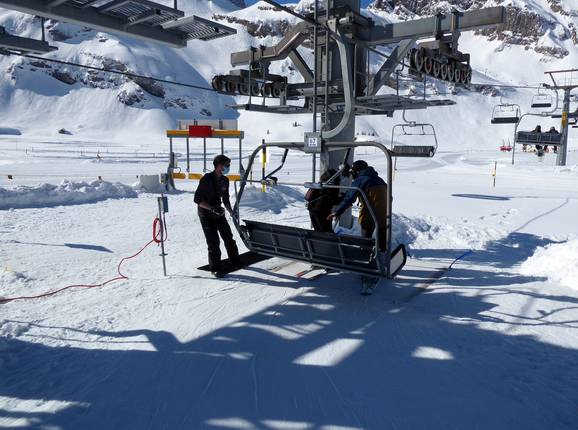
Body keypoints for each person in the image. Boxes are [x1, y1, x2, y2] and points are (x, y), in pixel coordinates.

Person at [194, 154, 241, 278]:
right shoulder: (206, 179)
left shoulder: (225, 180)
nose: (228, 167)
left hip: (219, 213)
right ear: (219, 166)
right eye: (226, 165)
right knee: (213, 242)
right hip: (206, 214)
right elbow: (197, 199)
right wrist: (212, 208)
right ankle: (215, 268)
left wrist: (231, 211)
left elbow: (225, 200)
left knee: (228, 238)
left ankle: (236, 262)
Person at [328, 160, 388, 251]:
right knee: (382, 242)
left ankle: (365, 253)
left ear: (357, 171)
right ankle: (382, 254)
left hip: (369, 215)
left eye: (352, 172)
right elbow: (389, 197)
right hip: (383, 215)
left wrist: (337, 212)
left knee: (366, 240)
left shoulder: (360, 180)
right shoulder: (380, 180)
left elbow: (349, 198)